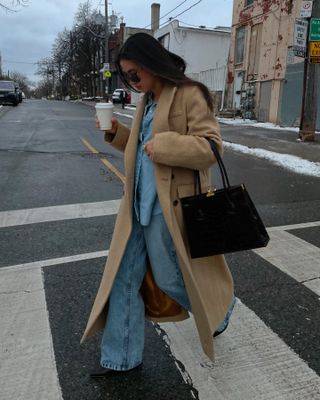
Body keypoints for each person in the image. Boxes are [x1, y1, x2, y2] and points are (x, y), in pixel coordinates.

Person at [81, 32, 235, 377]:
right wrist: (117, 133)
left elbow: (211, 148)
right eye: (126, 77)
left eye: (134, 74)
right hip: (137, 206)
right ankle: (121, 357)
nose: (132, 82)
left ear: (152, 64)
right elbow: (142, 151)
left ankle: (221, 309)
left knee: (168, 279)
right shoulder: (147, 101)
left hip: (168, 208)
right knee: (124, 279)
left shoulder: (190, 94)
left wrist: (165, 146)